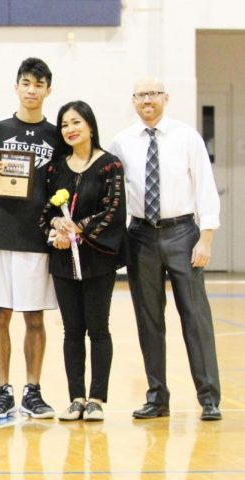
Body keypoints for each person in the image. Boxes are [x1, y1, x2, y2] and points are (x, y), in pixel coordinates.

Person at [109, 78, 222, 421]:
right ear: (133, 101)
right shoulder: (121, 142)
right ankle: (157, 396)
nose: (148, 100)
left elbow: (205, 187)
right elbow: (111, 194)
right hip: (141, 235)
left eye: (154, 94)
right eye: (141, 95)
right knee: (149, 320)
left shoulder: (187, 137)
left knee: (195, 317)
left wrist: (206, 237)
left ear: (166, 98)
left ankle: (209, 397)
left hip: (183, 233)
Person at [0, 57, 58, 419]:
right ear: (17, 87)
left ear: (48, 90)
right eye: (26, 83)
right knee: (0, 317)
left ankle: (33, 391)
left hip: (37, 239)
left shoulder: (58, 136)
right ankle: (2, 390)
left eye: (39, 84)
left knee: (34, 318)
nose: (32, 90)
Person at [39, 101, 126, 422]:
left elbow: (113, 210)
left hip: (97, 260)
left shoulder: (109, 165)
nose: (70, 129)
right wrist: (55, 227)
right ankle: (75, 397)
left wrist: (78, 229)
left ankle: (97, 399)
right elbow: (44, 210)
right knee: (72, 331)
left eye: (76, 122)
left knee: (98, 329)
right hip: (62, 258)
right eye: (64, 124)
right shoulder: (54, 168)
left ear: (90, 125)